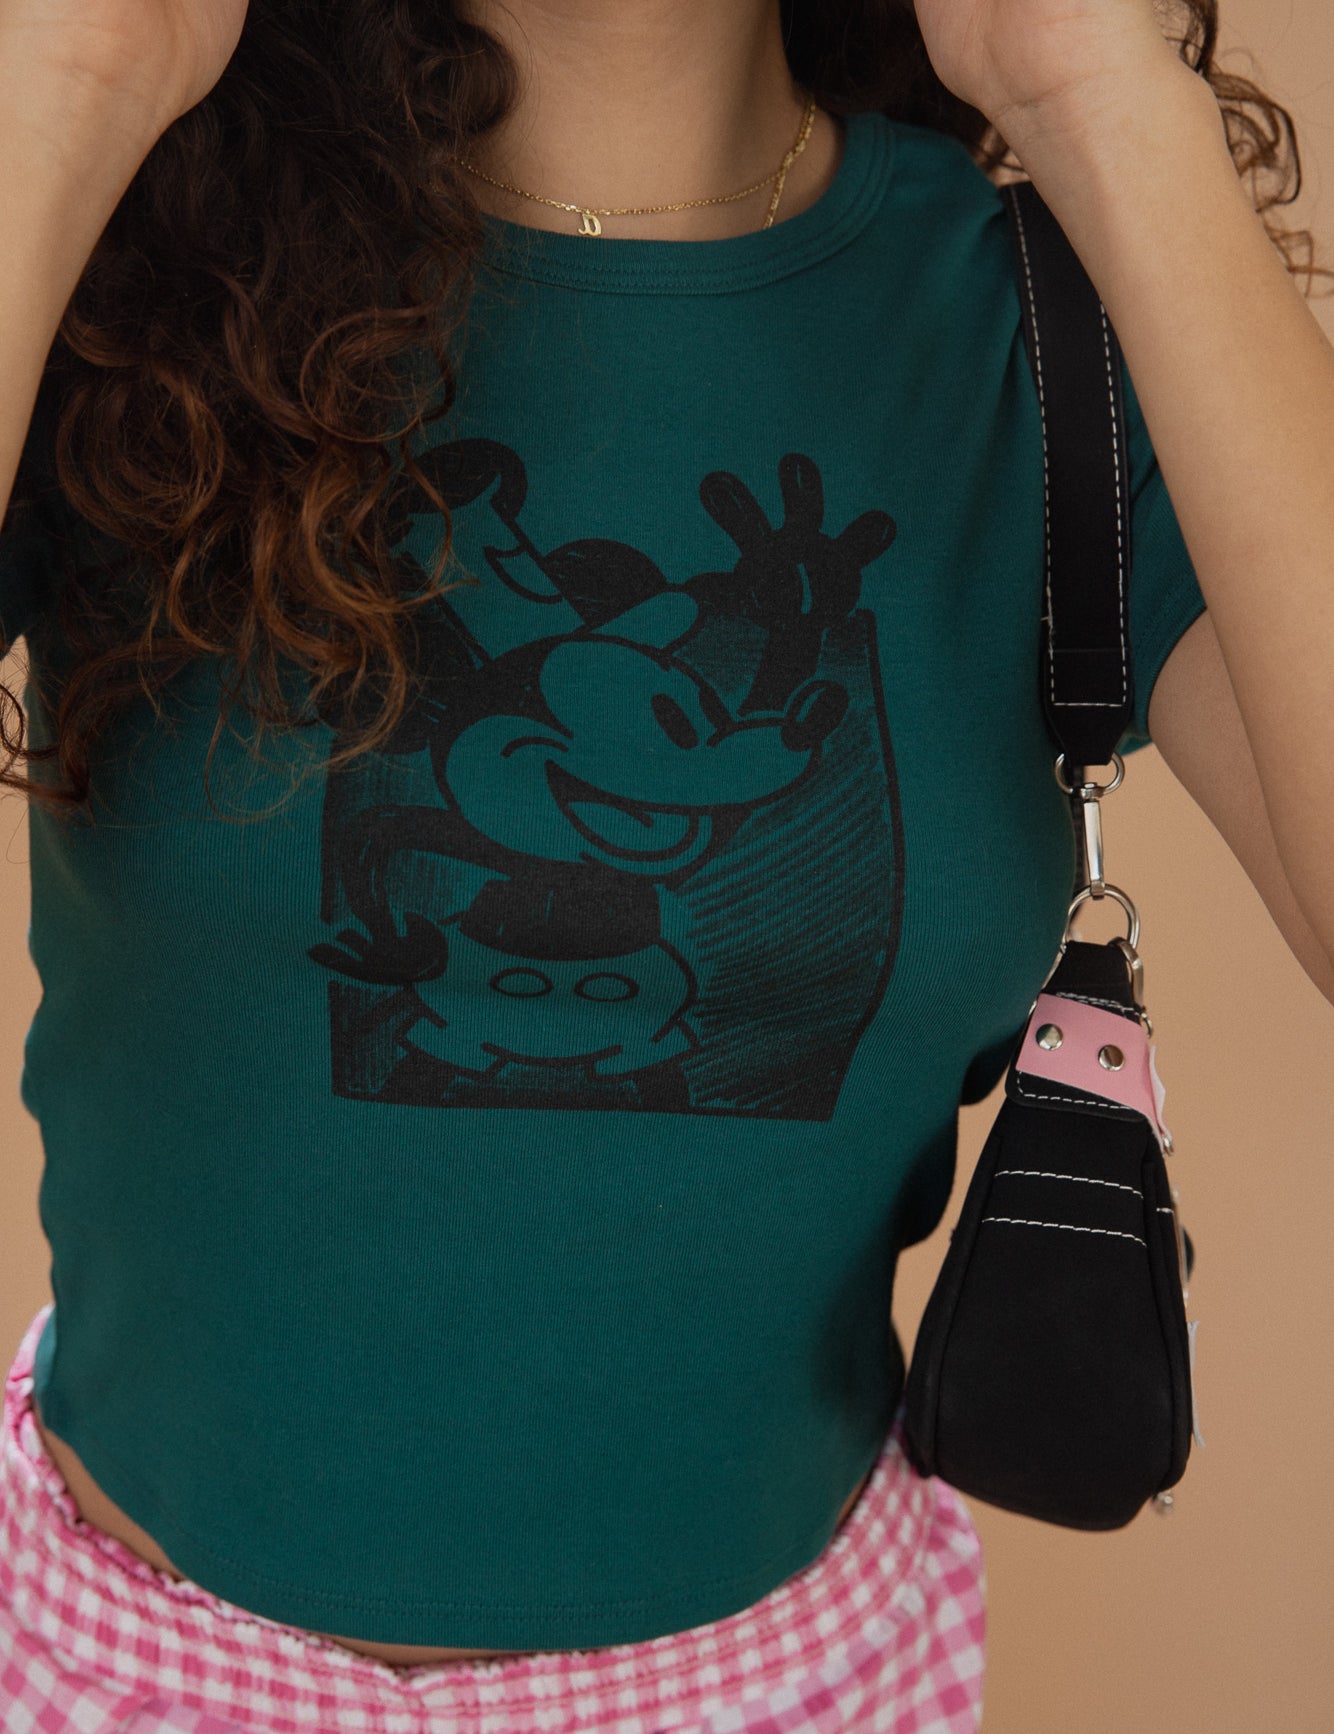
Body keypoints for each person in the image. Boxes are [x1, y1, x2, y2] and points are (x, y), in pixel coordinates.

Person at [1, 2, 1332, 1730]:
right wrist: (78, 77)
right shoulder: (119, 247)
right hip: (113, 1669)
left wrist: (1091, 82)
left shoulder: (1040, 335)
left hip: (793, 1682)